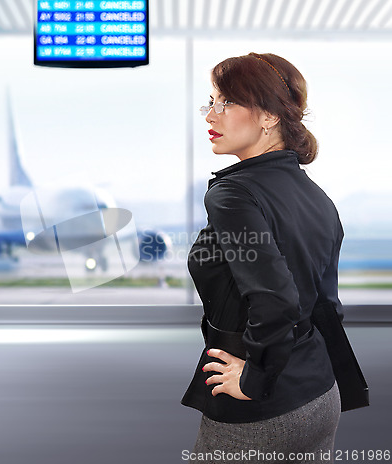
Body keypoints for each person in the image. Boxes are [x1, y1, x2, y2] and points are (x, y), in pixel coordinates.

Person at [181, 52, 343, 464]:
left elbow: (276, 299)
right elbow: (327, 307)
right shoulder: (316, 198)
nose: (210, 116)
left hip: (259, 412)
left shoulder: (233, 194)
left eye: (226, 102)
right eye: (210, 102)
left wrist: (255, 379)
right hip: (320, 392)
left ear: (269, 115)